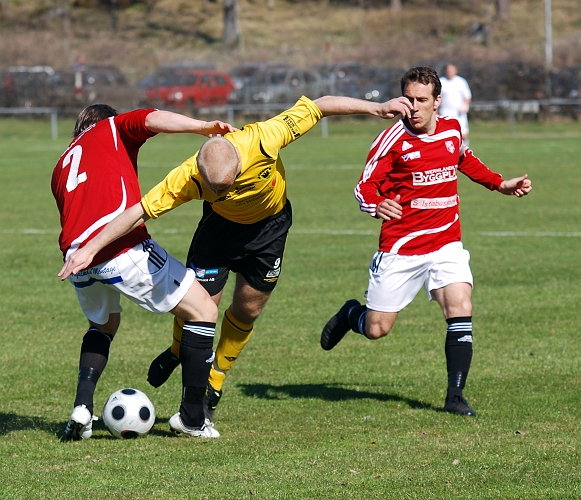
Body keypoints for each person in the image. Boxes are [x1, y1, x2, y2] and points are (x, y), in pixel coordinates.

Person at [59, 94, 415, 426]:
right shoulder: (188, 177)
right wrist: (91, 247)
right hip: (217, 233)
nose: (220, 193)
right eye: (213, 190)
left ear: (239, 166)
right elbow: (139, 211)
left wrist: (376, 108)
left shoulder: (264, 138)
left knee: (247, 310)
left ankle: (215, 378)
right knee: (199, 307)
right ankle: (180, 360)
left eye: (226, 188)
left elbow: (319, 105)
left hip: (270, 230)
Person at [320, 67, 531, 416]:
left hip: (446, 242)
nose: (413, 107)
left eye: (421, 100)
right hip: (401, 248)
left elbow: (464, 158)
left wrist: (500, 183)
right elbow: (364, 186)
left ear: (437, 102)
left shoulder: (451, 129)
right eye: (408, 99)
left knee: (460, 305)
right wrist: (375, 204)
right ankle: (350, 314)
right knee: (377, 329)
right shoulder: (392, 140)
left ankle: (455, 397)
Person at [52, 104, 235, 440]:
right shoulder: (111, 128)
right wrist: (203, 125)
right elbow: (151, 118)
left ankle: (82, 407)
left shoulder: (61, 164)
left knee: (103, 325)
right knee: (204, 310)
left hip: (76, 259)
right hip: (121, 249)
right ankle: (193, 418)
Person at [438, 63, 472, 147]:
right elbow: (437, 97)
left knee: (463, 134)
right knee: (445, 135)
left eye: (451, 70)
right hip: (445, 112)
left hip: (459, 113)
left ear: (456, 71)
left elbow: (467, 96)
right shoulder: (441, 81)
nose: (449, 72)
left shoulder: (461, 81)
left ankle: (465, 152)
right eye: (448, 70)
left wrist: (465, 105)